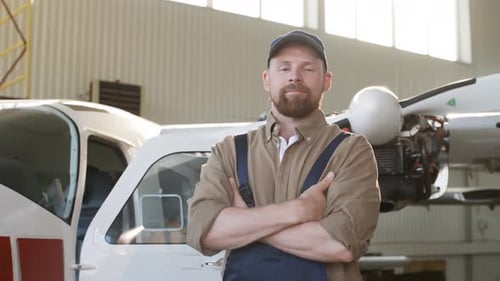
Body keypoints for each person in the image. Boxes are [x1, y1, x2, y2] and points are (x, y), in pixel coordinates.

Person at [187, 30, 380, 281]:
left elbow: (340, 245)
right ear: (267, 79)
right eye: (284, 68)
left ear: (326, 81)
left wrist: (245, 220)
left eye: (308, 69)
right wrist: (297, 211)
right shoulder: (230, 151)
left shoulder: (351, 151)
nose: (295, 77)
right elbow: (204, 231)